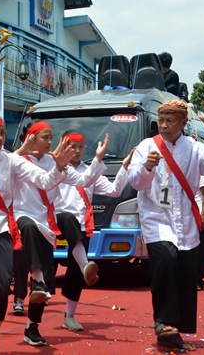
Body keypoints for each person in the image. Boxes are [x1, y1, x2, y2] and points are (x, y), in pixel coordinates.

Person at [0, 111, 93, 355]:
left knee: (2, 288)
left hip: (2, 226)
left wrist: (58, 166)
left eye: (3, 133)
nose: (2, 138)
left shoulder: (12, 160)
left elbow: (44, 181)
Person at [128, 100, 204, 351]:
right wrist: (147, 167)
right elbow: (135, 182)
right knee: (165, 260)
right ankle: (163, 323)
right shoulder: (147, 146)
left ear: (184, 123)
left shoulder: (195, 148)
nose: (163, 125)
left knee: (186, 276)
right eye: (161, 120)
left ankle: (173, 333)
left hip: (185, 224)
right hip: (156, 221)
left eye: (170, 120)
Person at [12, 122, 110, 346]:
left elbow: (84, 181)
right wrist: (23, 152)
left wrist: (97, 159)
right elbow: (43, 180)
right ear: (31, 138)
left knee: (46, 281)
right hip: (21, 218)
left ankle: (31, 327)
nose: (49, 142)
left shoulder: (55, 161)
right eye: (45, 137)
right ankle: (31, 286)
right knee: (27, 228)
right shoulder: (16, 160)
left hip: (47, 223)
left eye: (51, 137)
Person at [54, 130, 133, 333]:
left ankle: (69, 316)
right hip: (56, 220)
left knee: (74, 274)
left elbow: (114, 191)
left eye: (81, 147)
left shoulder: (89, 170)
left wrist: (124, 166)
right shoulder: (53, 166)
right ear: (63, 146)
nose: (78, 151)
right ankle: (85, 265)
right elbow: (84, 180)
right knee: (44, 271)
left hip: (80, 226)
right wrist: (98, 158)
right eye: (73, 147)